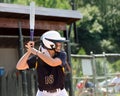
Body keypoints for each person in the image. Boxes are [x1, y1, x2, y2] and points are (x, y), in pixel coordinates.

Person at [16, 30, 68, 96]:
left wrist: (36, 52)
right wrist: (29, 51)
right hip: (43, 93)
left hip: (60, 93)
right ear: (49, 44)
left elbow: (53, 63)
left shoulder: (61, 54)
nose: (60, 45)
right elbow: (19, 66)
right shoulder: (38, 58)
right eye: (57, 43)